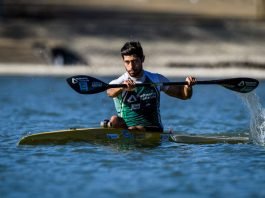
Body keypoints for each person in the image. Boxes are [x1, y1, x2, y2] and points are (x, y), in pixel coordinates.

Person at [105, 41, 196, 132]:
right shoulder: (119, 82)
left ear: (142, 59)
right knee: (115, 120)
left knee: (132, 127)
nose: (131, 66)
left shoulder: (156, 79)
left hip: (154, 130)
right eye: (127, 62)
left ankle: (113, 127)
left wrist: (188, 86)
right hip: (128, 130)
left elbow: (184, 95)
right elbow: (109, 92)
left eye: (135, 61)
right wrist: (122, 87)